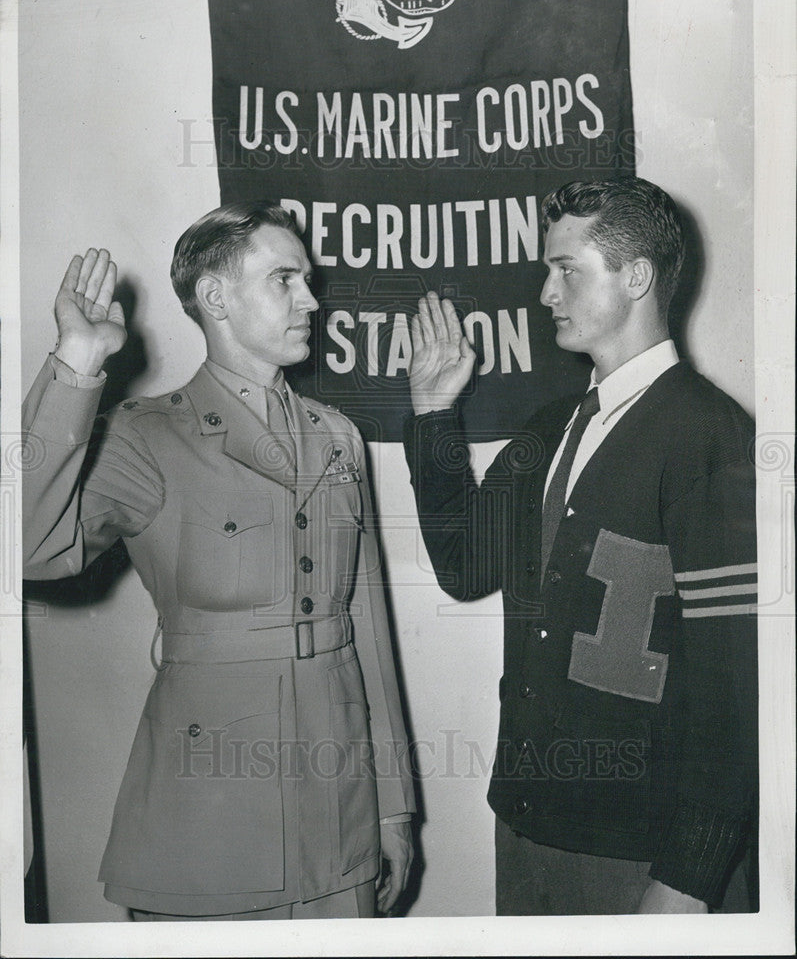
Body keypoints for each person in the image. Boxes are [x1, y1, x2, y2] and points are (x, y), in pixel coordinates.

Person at [22, 202, 415, 920]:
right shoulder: (147, 435)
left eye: (307, 281)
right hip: (208, 821)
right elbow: (32, 549)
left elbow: (368, 630)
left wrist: (391, 810)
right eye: (285, 280)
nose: (310, 300)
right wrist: (77, 364)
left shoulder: (337, 437)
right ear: (216, 298)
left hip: (338, 814)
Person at [403, 177, 757, 915]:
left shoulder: (709, 435)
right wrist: (434, 416)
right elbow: (464, 566)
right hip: (529, 826)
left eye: (566, 269)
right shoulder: (549, 424)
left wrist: (691, 874)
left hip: (644, 852)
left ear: (635, 277)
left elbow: (736, 680)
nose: (544, 293)